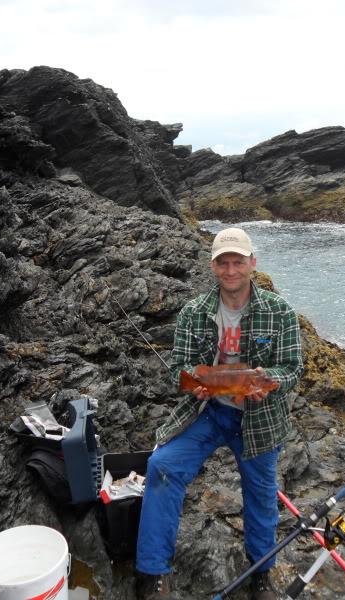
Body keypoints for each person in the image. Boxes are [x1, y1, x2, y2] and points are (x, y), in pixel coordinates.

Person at [135, 227, 304, 600]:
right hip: (208, 411)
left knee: (261, 494)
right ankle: (154, 573)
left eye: (238, 262)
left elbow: (293, 368)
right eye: (223, 263)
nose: (231, 271)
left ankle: (262, 572)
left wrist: (266, 380)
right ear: (213, 266)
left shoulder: (280, 313)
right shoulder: (194, 312)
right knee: (161, 467)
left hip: (258, 421)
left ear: (252, 264)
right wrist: (192, 381)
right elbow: (177, 365)